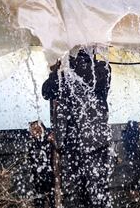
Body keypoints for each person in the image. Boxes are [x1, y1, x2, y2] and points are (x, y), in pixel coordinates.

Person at [42, 48, 113, 208]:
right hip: (73, 147)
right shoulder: (65, 72)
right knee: (79, 198)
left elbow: (86, 79)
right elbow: (46, 91)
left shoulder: (101, 68)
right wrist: (62, 68)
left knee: (97, 198)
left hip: (95, 146)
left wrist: (67, 65)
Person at [28, 120, 55, 208]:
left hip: (50, 176)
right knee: (39, 200)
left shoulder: (48, 139)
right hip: (37, 178)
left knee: (52, 198)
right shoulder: (31, 144)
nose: (35, 131)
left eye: (38, 129)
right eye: (33, 130)